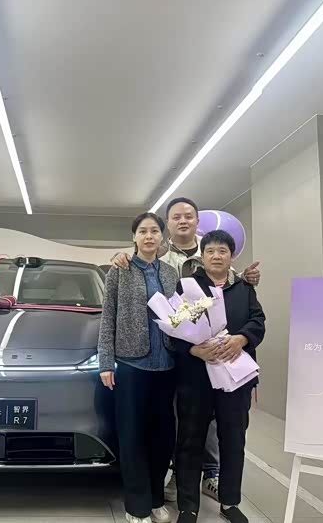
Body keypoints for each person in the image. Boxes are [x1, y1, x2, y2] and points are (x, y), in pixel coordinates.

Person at [111, 197, 261, 502]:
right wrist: (120, 256)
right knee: (182, 421)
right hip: (178, 354)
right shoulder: (162, 260)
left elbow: (234, 290)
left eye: (188, 216)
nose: (183, 221)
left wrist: (247, 279)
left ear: (197, 221)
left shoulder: (213, 252)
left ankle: (211, 474)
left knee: (216, 423)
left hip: (219, 357)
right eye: (176, 216)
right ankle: (180, 478)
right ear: (168, 224)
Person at [173, 230, 265, 523]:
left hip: (234, 379)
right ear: (202, 257)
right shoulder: (188, 287)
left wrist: (242, 338)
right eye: (210, 251)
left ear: (231, 257)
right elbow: (173, 327)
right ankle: (188, 506)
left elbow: (258, 321)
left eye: (222, 251)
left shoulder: (243, 288)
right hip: (196, 378)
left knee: (233, 440)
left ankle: (230, 502)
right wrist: (193, 350)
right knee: (190, 440)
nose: (216, 256)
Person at [98, 212, 180, 523]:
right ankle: (137, 506)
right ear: (134, 237)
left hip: (167, 364)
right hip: (132, 364)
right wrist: (106, 362)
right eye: (143, 231)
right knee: (132, 437)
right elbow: (108, 318)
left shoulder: (170, 273)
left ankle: (156, 497)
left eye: (154, 231)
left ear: (162, 237)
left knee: (163, 437)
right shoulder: (119, 270)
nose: (149, 236)